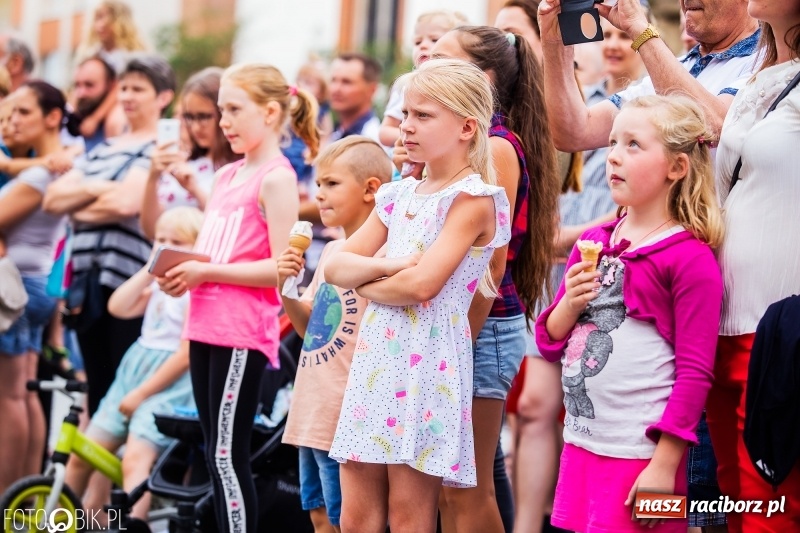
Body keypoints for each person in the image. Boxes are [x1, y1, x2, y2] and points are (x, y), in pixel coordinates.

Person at [324, 58, 510, 533]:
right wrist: (387, 266)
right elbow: (334, 265)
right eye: (406, 114)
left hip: (427, 362)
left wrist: (365, 281)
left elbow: (423, 285)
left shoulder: (473, 198)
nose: (406, 126)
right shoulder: (397, 194)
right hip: (376, 360)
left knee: (410, 513)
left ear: (467, 127)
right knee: (356, 514)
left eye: (423, 116)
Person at [535, 95, 724, 533]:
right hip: (581, 444)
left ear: (677, 167)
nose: (614, 155)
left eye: (634, 145)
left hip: (642, 458)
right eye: (613, 141)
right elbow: (549, 340)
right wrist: (569, 304)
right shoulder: (599, 238)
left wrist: (664, 467)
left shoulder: (689, 258)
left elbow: (696, 373)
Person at [157, 62, 319, 533]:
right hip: (204, 323)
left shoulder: (276, 177)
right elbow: (218, 252)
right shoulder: (227, 177)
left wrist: (204, 269)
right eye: (220, 109)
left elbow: (282, 268)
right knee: (213, 451)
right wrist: (182, 271)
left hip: (240, 332)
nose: (222, 121)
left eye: (233, 109)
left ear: (270, 113)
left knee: (227, 455)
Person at [428, 26, 560, 533]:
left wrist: (454, 337)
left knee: (467, 488)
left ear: (480, 78)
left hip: (479, 326)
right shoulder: (462, 146)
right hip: (457, 325)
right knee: (447, 488)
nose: (425, 66)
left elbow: (491, 263)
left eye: (441, 59)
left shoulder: (498, 148)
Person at [43, 54, 175, 417]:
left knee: (121, 385)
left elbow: (126, 203)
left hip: (128, 280)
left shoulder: (159, 149)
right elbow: (53, 199)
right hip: (87, 281)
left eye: (139, 89)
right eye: (125, 88)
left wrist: (81, 200)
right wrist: (104, 188)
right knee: (96, 387)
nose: (128, 96)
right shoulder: (103, 147)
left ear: (163, 97)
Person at [710, 1, 800, 530]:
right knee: (733, 500)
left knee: (773, 508)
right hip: (721, 322)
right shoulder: (758, 75)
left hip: (779, 331)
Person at [279, 136, 393, 533]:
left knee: (346, 519)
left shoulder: (383, 257)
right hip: (312, 409)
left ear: (371, 190)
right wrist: (288, 287)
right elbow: (308, 328)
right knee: (317, 516)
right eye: (318, 183)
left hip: (345, 414)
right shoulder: (331, 252)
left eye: (331, 184)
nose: (318, 194)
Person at [64, 206, 202, 520]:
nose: (164, 247)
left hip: (166, 384)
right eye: (159, 240)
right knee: (83, 455)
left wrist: (141, 394)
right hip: (134, 370)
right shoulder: (156, 284)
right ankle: (62, 522)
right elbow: (118, 306)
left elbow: (185, 355)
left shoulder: (194, 293)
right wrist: (148, 270)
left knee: (135, 460)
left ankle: (132, 524)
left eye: (176, 241)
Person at [538, 0, 760, 151]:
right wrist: (554, 42)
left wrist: (639, 29)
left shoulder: (770, 61)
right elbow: (575, 133)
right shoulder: (679, 67)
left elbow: (712, 126)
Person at [0, 81, 72, 493]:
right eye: (8, 114)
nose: (12, 121)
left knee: (10, 397)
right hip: (34, 286)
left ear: (53, 116)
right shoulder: (44, 167)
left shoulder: (42, 173)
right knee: (24, 393)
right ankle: (25, 496)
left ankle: (10, 496)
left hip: (16, 291)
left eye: (23, 112)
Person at [140, 67, 238, 239]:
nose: (195, 127)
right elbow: (152, 231)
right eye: (189, 117)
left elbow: (232, 227)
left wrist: (194, 189)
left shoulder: (240, 166)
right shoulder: (186, 161)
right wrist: (153, 177)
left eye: (204, 117)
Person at [378, 10, 468, 150]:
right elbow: (385, 132)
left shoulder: (461, 88)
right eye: (417, 41)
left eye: (434, 40)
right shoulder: (407, 85)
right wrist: (416, 137)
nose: (423, 46)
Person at [75, 1, 147, 141]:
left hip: (119, 101)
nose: (100, 25)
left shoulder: (128, 54)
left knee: (114, 123)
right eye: (97, 18)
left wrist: (95, 118)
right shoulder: (93, 52)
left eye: (105, 18)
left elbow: (119, 89)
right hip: (96, 100)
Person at [72, 55, 126, 152]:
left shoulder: (118, 123)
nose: (81, 93)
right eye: (77, 85)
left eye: (89, 85)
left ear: (111, 85)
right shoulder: (71, 121)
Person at [328, 53, 382, 143]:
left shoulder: (373, 141)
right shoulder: (330, 134)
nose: (336, 89)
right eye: (333, 80)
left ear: (372, 90)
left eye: (347, 82)